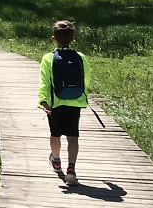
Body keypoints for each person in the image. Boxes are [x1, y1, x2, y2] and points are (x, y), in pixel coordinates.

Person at [38, 20, 92, 186]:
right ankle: (71, 170)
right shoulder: (80, 57)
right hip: (75, 102)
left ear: (54, 39)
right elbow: (86, 79)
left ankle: (56, 161)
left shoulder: (48, 58)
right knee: (73, 136)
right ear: (72, 38)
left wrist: (43, 100)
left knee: (55, 134)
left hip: (55, 104)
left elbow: (45, 82)